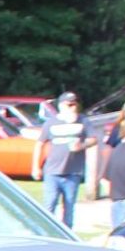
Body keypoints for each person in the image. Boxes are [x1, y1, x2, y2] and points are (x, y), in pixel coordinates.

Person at [31, 93, 90, 230]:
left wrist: (82, 145)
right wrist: (35, 167)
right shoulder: (51, 123)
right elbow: (40, 144)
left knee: (69, 208)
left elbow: (93, 139)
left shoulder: (83, 121)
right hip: (52, 172)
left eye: (74, 104)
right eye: (69, 105)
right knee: (49, 205)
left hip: (73, 172)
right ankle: (45, 232)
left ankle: (67, 236)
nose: (72, 108)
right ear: (61, 106)